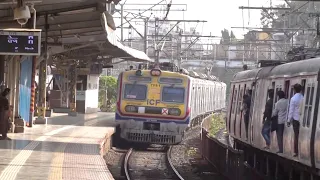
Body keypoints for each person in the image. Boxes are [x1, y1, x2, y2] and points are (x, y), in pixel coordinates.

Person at [287, 84, 304, 157]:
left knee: (296, 135)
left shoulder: (293, 99)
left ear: (294, 90)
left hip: (295, 119)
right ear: (301, 90)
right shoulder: (303, 97)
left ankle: (296, 151)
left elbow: (291, 110)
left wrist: (288, 120)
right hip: (302, 119)